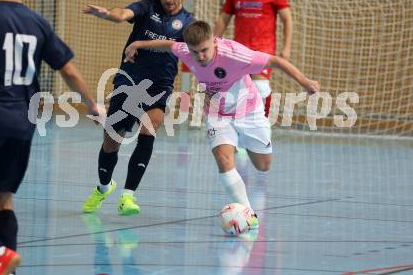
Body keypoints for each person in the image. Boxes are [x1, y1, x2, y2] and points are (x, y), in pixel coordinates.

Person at [0, 0, 100, 275]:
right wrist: (92, 105)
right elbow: (69, 71)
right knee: (2, 197)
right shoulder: (38, 24)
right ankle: (9, 267)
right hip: (23, 122)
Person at [124, 21, 319, 228]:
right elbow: (167, 45)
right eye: (195, 52)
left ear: (214, 41)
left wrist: (305, 82)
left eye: (205, 50)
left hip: (249, 112)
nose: (200, 57)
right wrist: (137, 44)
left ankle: (243, 141)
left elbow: (276, 61)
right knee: (223, 159)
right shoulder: (185, 51)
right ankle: (248, 214)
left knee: (263, 165)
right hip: (218, 114)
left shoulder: (236, 55)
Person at [82, 0, 195, 216]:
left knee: (149, 128)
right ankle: (103, 187)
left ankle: (128, 196)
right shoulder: (148, 7)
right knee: (112, 140)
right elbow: (124, 13)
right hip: (130, 80)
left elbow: (193, 49)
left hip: (160, 85)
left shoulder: (188, 23)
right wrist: (109, 14)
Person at [214, 0, 293, 117]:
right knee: (238, 89)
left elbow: (287, 19)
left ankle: (265, 123)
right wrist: (214, 42)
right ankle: (239, 123)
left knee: (261, 87)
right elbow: (224, 17)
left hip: (263, 48)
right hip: (239, 49)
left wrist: (287, 48)